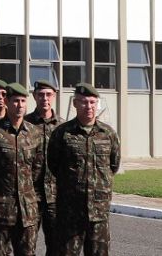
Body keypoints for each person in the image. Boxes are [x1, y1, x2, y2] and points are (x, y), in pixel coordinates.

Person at [48, 83, 120, 256]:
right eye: (84, 102)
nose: (89, 107)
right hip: (70, 212)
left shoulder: (108, 133)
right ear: (75, 103)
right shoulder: (62, 133)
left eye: (92, 102)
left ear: (97, 104)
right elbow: (53, 165)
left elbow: (113, 165)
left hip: (98, 212)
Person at [0, 83, 43, 256]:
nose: (20, 105)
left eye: (23, 101)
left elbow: (37, 170)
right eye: (16, 101)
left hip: (27, 210)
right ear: (7, 102)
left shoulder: (34, 133)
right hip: (0, 208)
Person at [25, 79, 62, 256]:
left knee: (56, 245)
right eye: (40, 95)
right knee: (26, 245)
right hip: (29, 196)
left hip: (55, 197)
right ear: (34, 96)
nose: (44, 98)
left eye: (48, 94)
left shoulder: (63, 128)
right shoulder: (24, 125)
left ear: (54, 96)